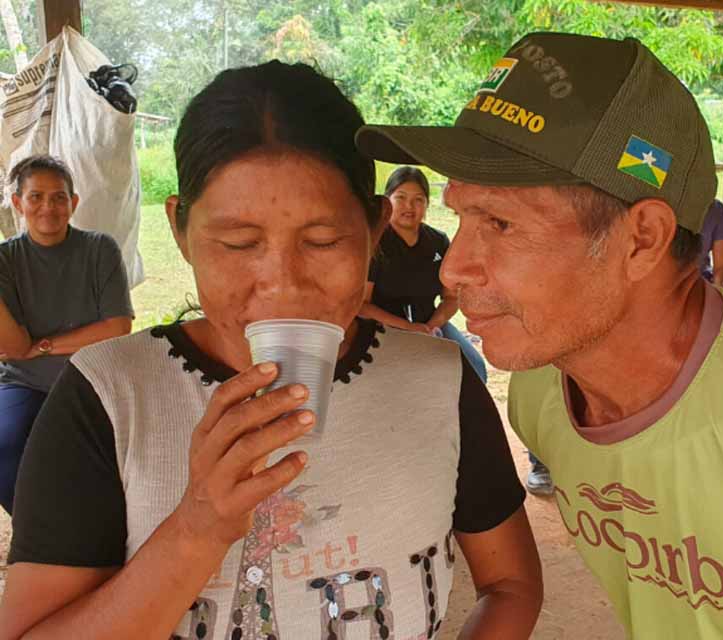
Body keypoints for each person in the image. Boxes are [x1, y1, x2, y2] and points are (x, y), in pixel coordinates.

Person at [357, 31, 723, 639]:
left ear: (642, 237)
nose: (453, 268)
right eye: (460, 216)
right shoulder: (544, 395)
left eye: (501, 223)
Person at [0, 62, 542, 640]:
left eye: (323, 240)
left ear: (375, 228)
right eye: (238, 243)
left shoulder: (442, 382)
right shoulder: (109, 397)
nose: (282, 286)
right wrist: (197, 529)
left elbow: (511, 586)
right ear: (181, 230)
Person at [0, 154, 133, 515]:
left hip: (91, 376)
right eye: (35, 197)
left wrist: (44, 345)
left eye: (59, 197)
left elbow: (117, 327)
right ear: (17, 203)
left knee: (101, 454)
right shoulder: (6, 260)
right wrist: (32, 349)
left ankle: (103, 529)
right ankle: (36, 530)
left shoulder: (99, 249)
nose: (48, 207)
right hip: (24, 382)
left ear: (73, 203)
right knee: (5, 439)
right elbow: (12, 349)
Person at [362, 165, 487, 381]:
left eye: (418, 199)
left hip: (429, 325)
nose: (409, 206)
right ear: (387, 201)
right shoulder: (375, 243)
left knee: (474, 368)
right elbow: (362, 306)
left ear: (427, 204)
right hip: (382, 329)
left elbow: (450, 298)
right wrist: (409, 328)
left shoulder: (438, 242)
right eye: (401, 197)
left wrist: (431, 326)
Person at [699, 200, 723, 289]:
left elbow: (722, 268)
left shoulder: (717, 210)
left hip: (699, 283)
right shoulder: (659, 207)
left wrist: (718, 294)